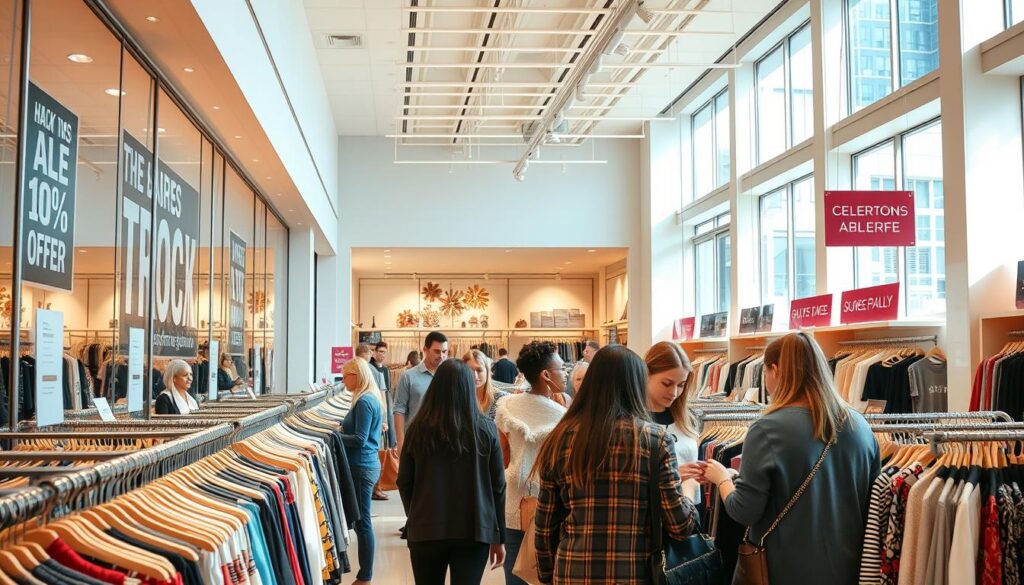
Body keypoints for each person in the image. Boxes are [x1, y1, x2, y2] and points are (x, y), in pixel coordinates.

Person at [701, 332, 880, 585]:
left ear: (774, 370)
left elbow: (744, 510)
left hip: (783, 569)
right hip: (849, 570)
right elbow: (870, 505)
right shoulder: (860, 426)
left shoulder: (768, 429)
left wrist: (722, 479)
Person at [533, 345, 698, 585]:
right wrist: (690, 492)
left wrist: (548, 575)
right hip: (635, 573)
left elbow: (545, 525)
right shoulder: (655, 440)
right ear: (637, 383)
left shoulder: (559, 439)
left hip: (573, 571)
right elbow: (679, 525)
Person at [397, 359, 507, 585]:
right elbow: (498, 486)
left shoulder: (417, 429)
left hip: (426, 527)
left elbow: (404, 482)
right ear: (468, 387)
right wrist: (499, 536)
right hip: (474, 530)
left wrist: (415, 513)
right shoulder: (486, 429)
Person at [494, 344, 569, 585]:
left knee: (515, 574)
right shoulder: (564, 417)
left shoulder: (506, 407)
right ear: (546, 375)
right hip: (551, 504)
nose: (565, 372)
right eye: (561, 368)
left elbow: (501, 456)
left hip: (513, 501)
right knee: (548, 575)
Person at [340, 357, 385, 585]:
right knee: (361, 521)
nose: (343, 380)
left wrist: (335, 436)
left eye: (345, 375)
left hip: (361, 465)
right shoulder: (367, 398)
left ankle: (365, 575)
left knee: (363, 522)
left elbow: (359, 439)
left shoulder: (365, 401)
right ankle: (364, 572)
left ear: (357, 376)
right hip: (364, 464)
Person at [644, 342, 704, 501]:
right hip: (656, 516)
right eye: (667, 383)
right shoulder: (633, 422)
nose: (674, 392)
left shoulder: (686, 419)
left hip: (690, 507)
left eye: (681, 385)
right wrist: (674, 474)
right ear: (646, 374)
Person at [394, 331, 448, 451]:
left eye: (444, 352)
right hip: (416, 441)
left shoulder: (451, 377)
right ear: (425, 350)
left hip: (444, 442)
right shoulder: (408, 376)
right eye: (437, 351)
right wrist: (400, 442)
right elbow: (399, 409)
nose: (442, 356)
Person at [370, 341, 397, 500]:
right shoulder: (371, 369)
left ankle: (380, 485)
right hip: (378, 412)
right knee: (379, 450)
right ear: (374, 352)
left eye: (384, 352)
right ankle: (376, 487)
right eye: (380, 351)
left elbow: (387, 395)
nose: (382, 354)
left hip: (386, 408)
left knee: (385, 449)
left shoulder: (386, 371)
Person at [516, 341, 571, 408]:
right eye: (562, 368)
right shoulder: (561, 409)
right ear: (546, 375)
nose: (566, 374)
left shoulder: (514, 406)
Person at [464, 349, 507, 420]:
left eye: (479, 370)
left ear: (487, 371)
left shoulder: (501, 399)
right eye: (469, 370)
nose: (475, 375)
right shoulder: (460, 398)